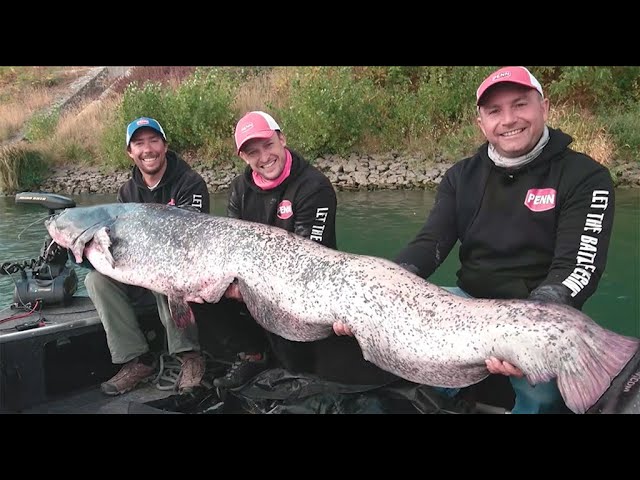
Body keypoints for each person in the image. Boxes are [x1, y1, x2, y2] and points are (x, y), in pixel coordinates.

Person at [334, 66, 615, 414]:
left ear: (544, 107)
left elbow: (579, 266)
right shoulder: (461, 176)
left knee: (541, 397)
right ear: (481, 122)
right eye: (494, 111)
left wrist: (527, 326)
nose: (508, 119)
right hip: (465, 302)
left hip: (541, 310)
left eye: (520, 105)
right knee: (387, 354)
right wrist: (382, 288)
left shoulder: (586, 176)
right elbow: (429, 244)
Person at [211, 110, 342, 389]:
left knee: (283, 303)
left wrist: (254, 286)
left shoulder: (314, 186)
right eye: (252, 152)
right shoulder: (239, 188)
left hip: (306, 283)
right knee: (201, 293)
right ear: (243, 157)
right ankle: (253, 354)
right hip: (252, 278)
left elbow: (309, 258)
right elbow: (231, 245)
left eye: (268, 145)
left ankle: (299, 372)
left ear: (281, 139)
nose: (264, 157)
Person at [85, 116, 211, 396]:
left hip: (183, 271)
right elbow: (117, 241)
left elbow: (195, 236)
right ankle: (136, 360)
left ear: (165, 145)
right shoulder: (126, 192)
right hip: (136, 272)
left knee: (162, 272)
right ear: (130, 153)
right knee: (96, 280)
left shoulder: (190, 182)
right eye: (139, 143)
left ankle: (190, 357)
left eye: (154, 140)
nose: (148, 149)